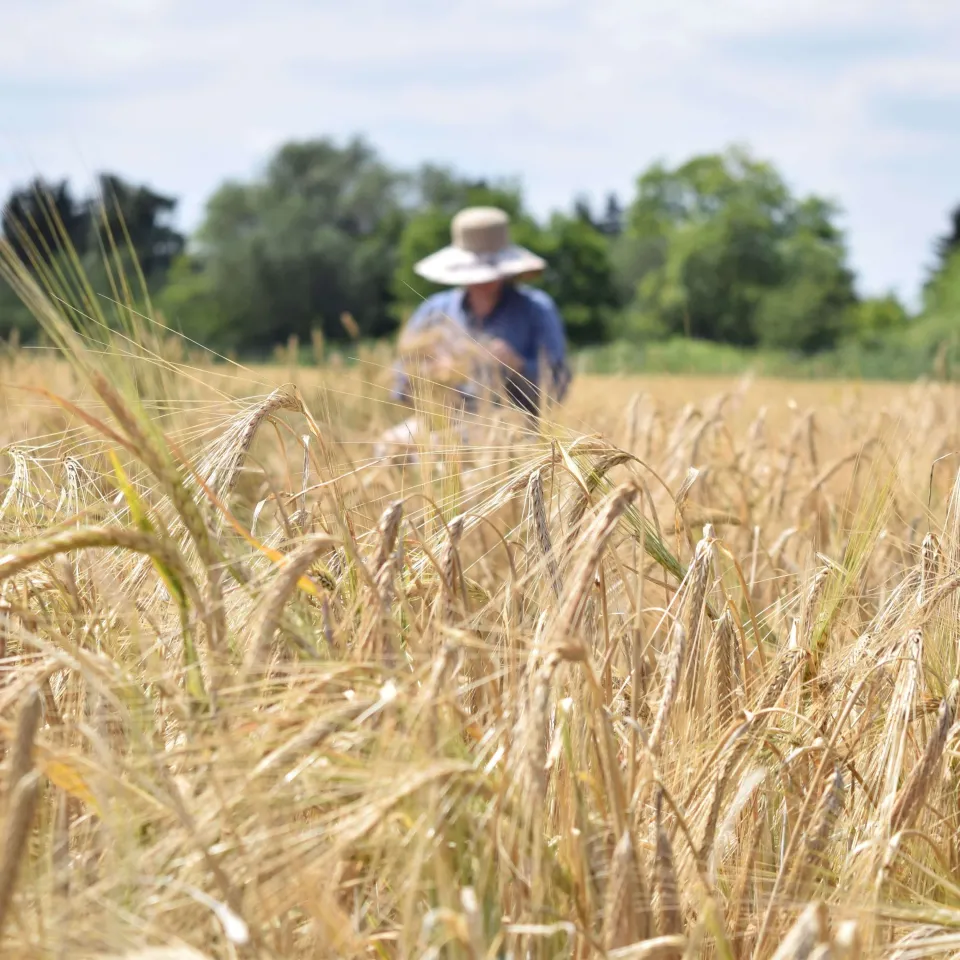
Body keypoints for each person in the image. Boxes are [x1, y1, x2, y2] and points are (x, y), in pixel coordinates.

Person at [391, 206, 571, 419]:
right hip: (440, 426)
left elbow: (559, 387)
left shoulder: (537, 308)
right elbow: (399, 384)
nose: (482, 281)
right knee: (390, 446)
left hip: (513, 431)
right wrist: (430, 373)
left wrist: (518, 365)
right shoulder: (433, 311)